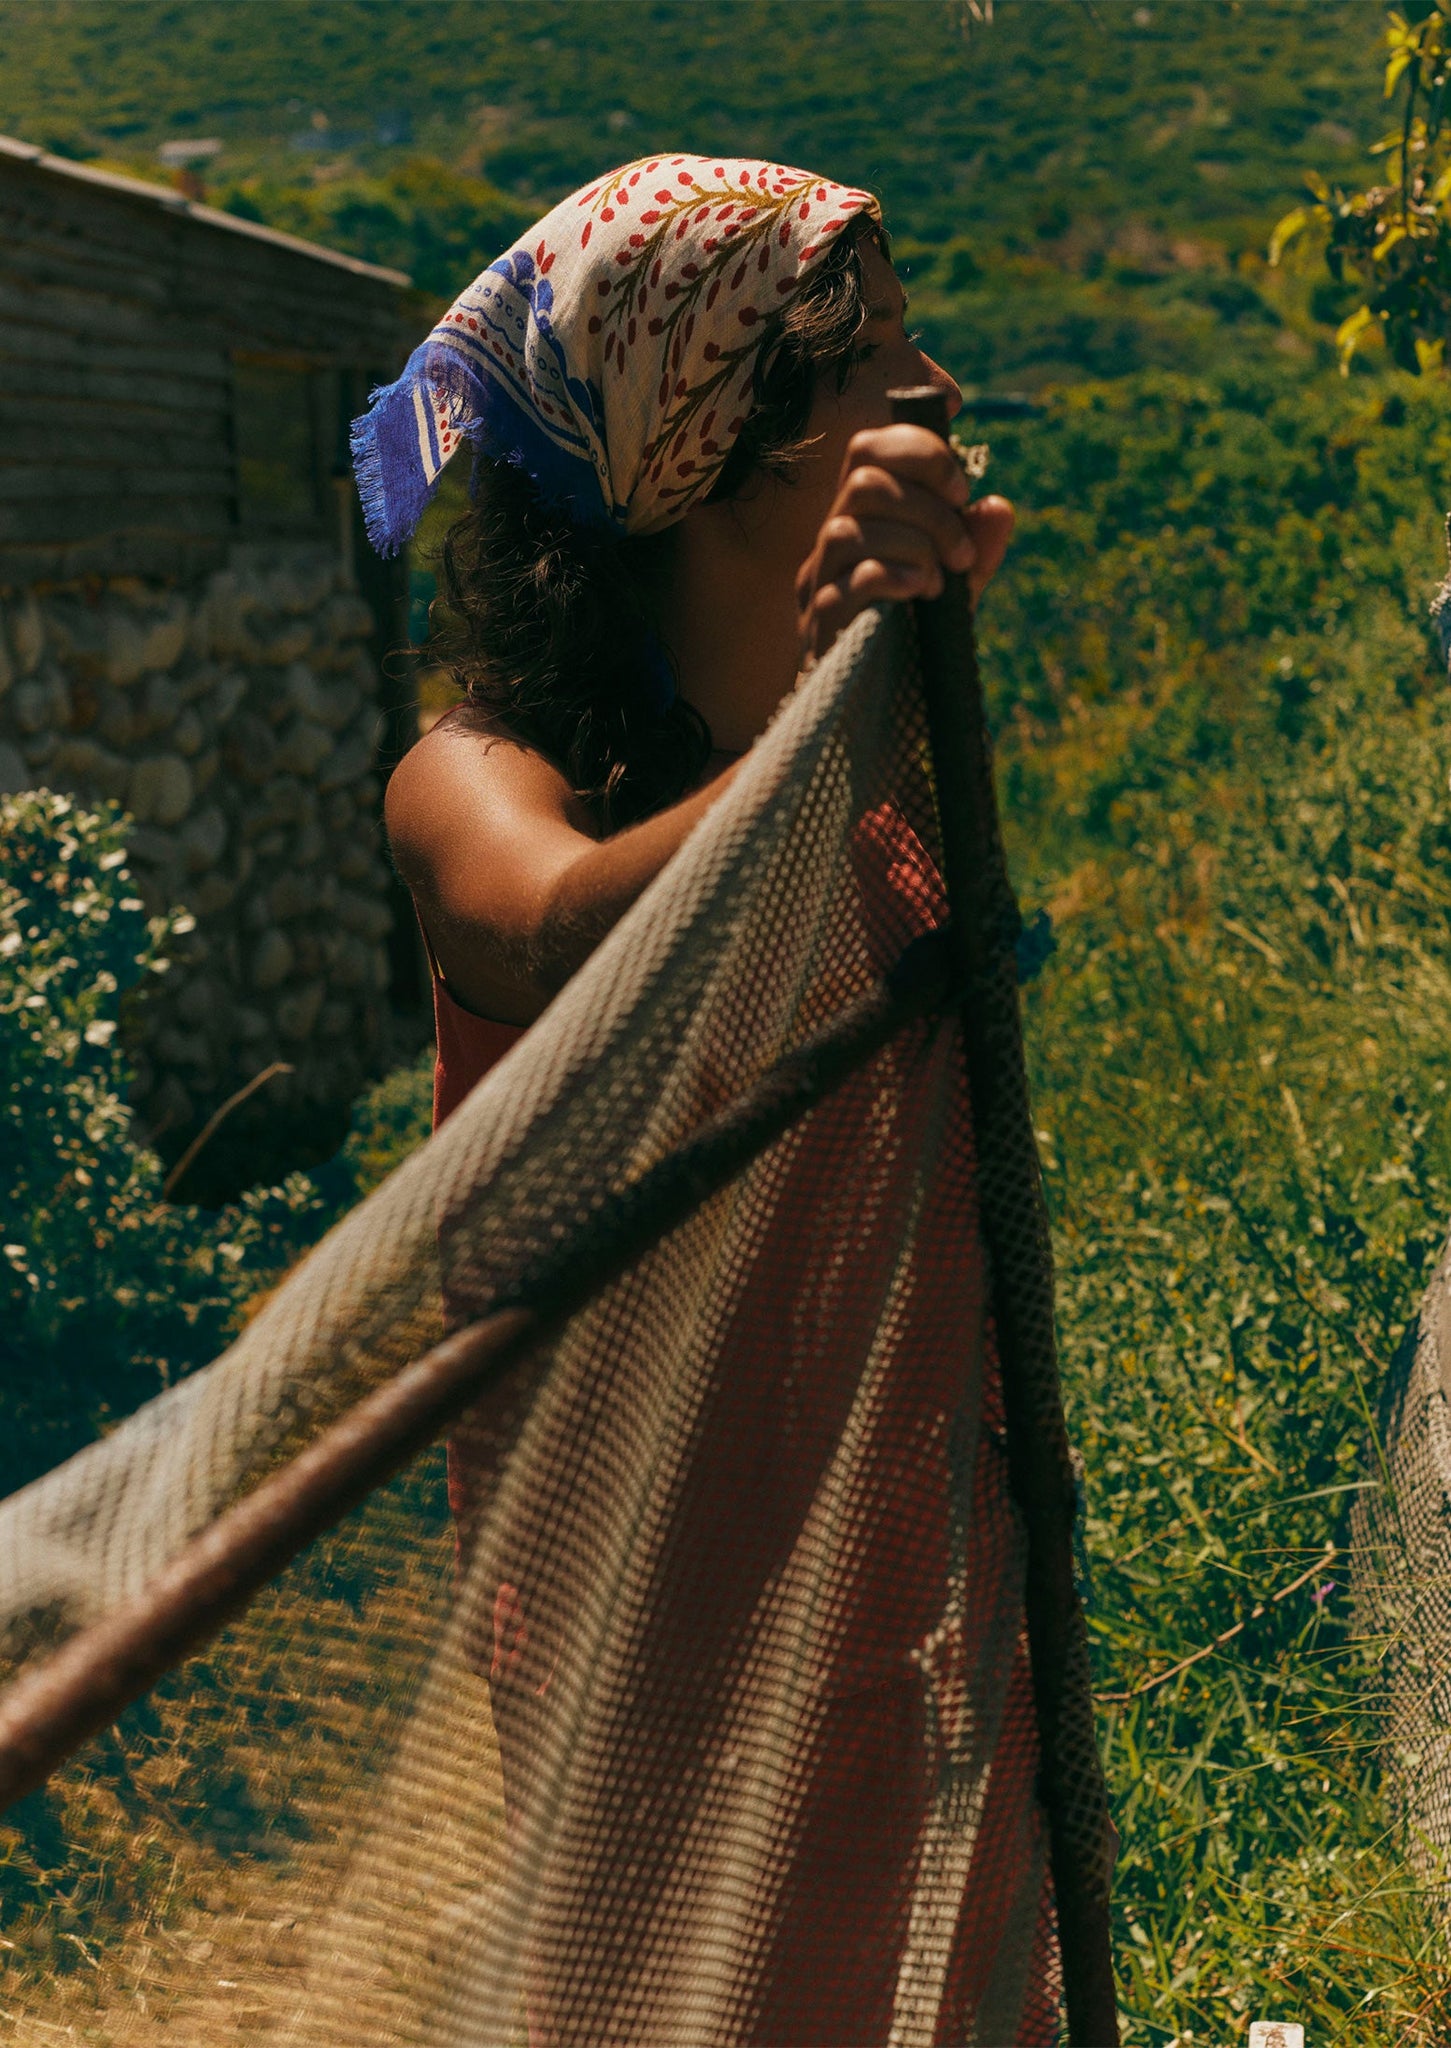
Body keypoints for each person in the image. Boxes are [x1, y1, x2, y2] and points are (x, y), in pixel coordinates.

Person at [353, 154, 1052, 2045]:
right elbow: (577, 935)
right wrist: (837, 698)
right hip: (670, 1698)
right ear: (737, 437)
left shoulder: (873, 767)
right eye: (884, 356)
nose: (941, 393)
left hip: (911, 1630)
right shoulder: (472, 778)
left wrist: (865, 691)